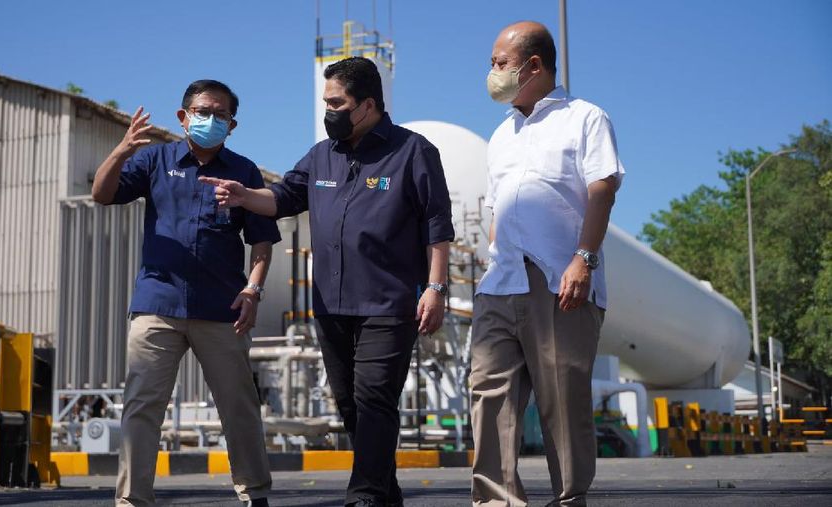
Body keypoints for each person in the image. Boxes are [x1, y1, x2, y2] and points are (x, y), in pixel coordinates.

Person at [200, 57, 454, 507]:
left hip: (388, 302)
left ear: (367, 105)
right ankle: (385, 493)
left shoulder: (414, 151)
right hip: (331, 304)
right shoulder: (322, 155)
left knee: (374, 397)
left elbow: (437, 225)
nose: (329, 111)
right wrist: (244, 196)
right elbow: (283, 198)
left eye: (337, 103)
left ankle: (364, 495)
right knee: (351, 404)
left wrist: (435, 288)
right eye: (326, 103)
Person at [91, 80, 280, 507]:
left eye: (220, 115)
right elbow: (102, 194)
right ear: (183, 116)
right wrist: (122, 150)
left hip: (223, 308)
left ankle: (255, 494)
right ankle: (132, 500)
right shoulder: (154, 160)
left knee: (239, 407)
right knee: (142, 406)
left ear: (232, 125)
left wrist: (253, 289)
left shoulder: (244, 172)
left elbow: (262, 241)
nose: (211, 120)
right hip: (157, 304)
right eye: (202, 112)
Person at [470, 22, 624, 507]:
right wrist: (494, 258)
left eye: (500, 63)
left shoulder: (585, 118)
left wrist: (584, 258)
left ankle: (569, 498)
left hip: (559, 281)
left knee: (562, 399)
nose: (492, 72)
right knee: (487, 393)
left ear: (533, 65)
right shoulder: (502, 134)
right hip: (501, 280)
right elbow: (497, 211)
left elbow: (602, 189)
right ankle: (496, 501)